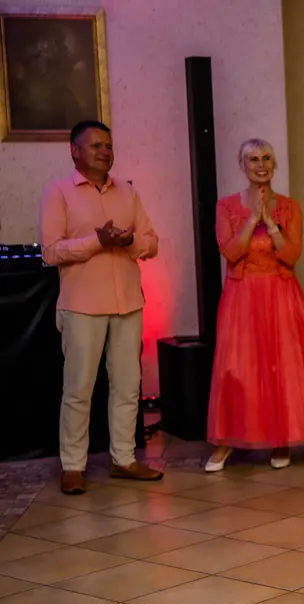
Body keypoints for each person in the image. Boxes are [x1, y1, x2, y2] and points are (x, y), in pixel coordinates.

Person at [39, 120, 162, 495]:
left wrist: (127, 241)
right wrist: (97, 241)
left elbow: (152, 242)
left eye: (108, 145)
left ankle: (123, 459)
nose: (105, 152)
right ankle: (73, 467)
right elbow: (50, 252)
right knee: (79, 389)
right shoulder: (58, 192)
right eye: (96, 146)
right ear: (74, 151)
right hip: (82, 305)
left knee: (127, 386)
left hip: (128, 303)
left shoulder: (127, 191)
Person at [204, 139, 304, 471]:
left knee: (281, 367)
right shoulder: (226, 206)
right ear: (242, 165)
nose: (260, 164)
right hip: (242, 296)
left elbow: (291, 255)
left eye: (266, 158)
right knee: (237, 369)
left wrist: (272, 224)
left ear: (274, 164)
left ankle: (281, 438)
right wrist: (253, 220)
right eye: (253, 159)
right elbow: (231, 252)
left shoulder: (290, 207)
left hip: (280, 294)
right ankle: (226, 441)